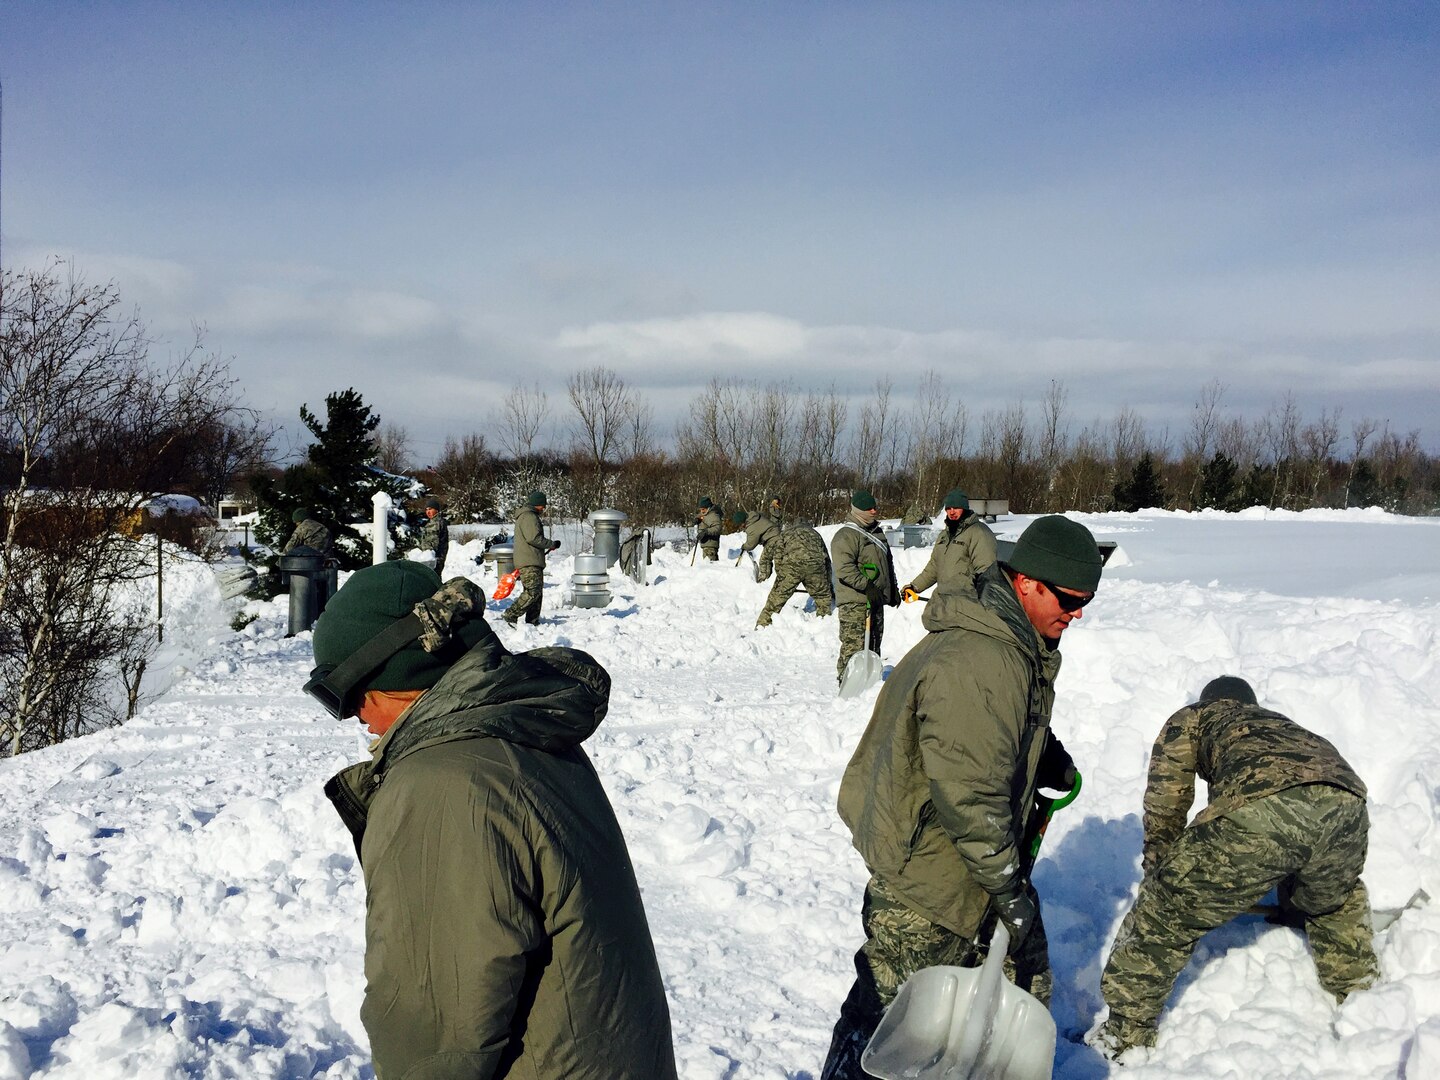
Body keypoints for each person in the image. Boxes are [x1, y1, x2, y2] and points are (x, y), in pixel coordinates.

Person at [306, 562, 678, 1079]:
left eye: (346, 694)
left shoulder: (445, 783)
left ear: (396, 672)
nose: (356, 717)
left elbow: (439, 1027)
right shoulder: (519, 729)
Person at [820, 514, 1104, 1080]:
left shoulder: (1010, 641)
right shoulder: (983, 659)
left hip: (958, 856)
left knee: (1019, 971)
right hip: (931, 876)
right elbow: (969, 794)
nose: (1076, 614)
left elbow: (986, 735)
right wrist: (1007, 886)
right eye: (1070, 599)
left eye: (1086, 603)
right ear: (1026, 582)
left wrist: (1042, 749)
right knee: (882, 1024)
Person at [1093, 676, 1378, 1059]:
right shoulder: (1276, 723)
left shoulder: (1196, 717)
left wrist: (1162, 873)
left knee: (1165, 914)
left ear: (1210, 701)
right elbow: (1301, 804)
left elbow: (1167, 800)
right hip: (1348, 806)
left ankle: (1123, 1036)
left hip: (1266, 803)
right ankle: (1365, 1003)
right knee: (1332, 902)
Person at [829, 490, 899, 686]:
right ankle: (846, 684)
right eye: (870, 509)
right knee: (854, 647)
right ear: (859, 510)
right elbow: (844, 569)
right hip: (855, 602)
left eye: (875, 507)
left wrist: (892, 591)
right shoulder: (846, 535)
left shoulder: (877, 532)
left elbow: (887, 563)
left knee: (874, 646)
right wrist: (866, 586)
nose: (874, 511)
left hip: (875, 600)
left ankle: (869, 685)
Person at [902, 488, 997, 601]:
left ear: (965, 508)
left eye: (956, 508)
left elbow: (987, 572)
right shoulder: (944, 535)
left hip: (968, 605)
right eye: (948, 508)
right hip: (946, 604)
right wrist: (915, 587)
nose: (952, 512)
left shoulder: (979, 533)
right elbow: (934, 567)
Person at [750, 518, 833, 628]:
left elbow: (778, 555)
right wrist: (827, 583)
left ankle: (762, 625)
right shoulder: (815, 534)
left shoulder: (786, 533)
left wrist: (781, 576)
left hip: (791, 567)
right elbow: (827, 560)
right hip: (814, 566)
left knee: (775, 600)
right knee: (822, 598)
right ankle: (823, 624)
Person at [504, 490, 561, 627]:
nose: (544, 508)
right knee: (532, 592)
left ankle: (532, 621)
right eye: (543, 505)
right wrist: (551, 544)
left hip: (532, 560)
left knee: (537, 593)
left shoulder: (527, 516)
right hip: (529, 561)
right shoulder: (529, 517)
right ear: (538, 504)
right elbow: (533, 538)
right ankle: (511, 614)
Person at [415, 496, 449, 572]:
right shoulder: (434, 522)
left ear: (436, 510)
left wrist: (425, 556)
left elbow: (432, 544)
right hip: (436, 559)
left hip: (434, 559)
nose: (428, 512)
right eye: (426, 510)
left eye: (430, 509)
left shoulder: (435, 523)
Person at [695, 496, 723, 561]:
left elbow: (717, 528)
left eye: (703, 509)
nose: (702, 511)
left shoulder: (713, 515)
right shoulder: (706, 513)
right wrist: (697, 519)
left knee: (710, 567)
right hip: (706, 545)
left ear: (708, 508)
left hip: (710, 546)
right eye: (700, 509)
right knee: (709, 567)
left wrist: (705, 532)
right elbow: (702, 516)